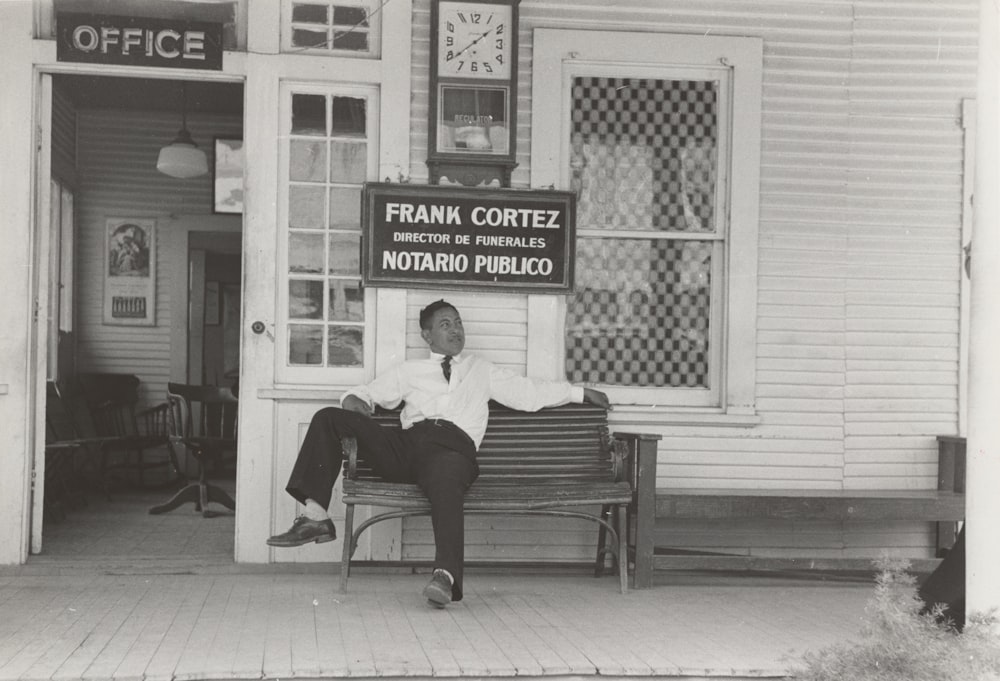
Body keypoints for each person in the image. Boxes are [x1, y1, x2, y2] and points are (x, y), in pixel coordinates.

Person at [267, 299, 611, 608]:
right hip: (406, 447)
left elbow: (528, 392)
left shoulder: (481, 369)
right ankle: (315, 516)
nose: (456, 329)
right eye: (446, 324)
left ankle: (445, 577)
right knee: (328, 416)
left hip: (452, 450)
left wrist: (579, 393)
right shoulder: (409, 371)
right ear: (427, 336)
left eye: (458, 323)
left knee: (447, 477)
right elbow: (369, 393)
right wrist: (352, 399)